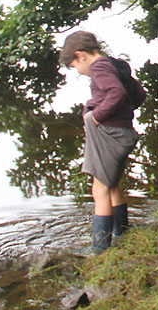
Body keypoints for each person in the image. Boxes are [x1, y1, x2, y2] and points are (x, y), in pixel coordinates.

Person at [59, 31, 142, 254]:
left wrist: (97, 116)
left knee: (100, 188)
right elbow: (138, 94)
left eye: (74, 65)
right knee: (111, 184)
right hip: (122, 130)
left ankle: (100, 250)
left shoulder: (99, 68)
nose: (78, 70)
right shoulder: (113, 65)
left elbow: (116, 92)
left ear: (81, 55)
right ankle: (122, 233)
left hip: (111, 133)